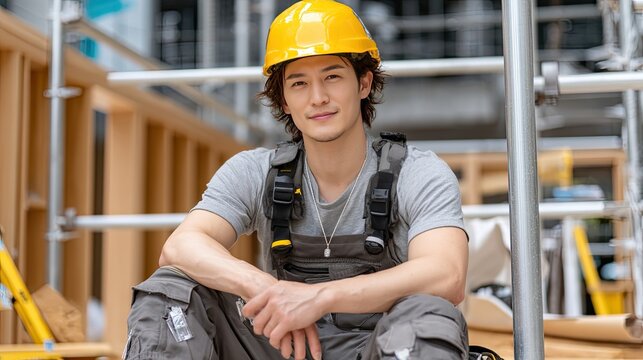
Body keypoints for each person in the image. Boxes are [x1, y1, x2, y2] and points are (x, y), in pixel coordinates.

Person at [124, 1, 470, 359]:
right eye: (299, 83)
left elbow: (446, 274)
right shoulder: (255, 171)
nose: (318, 97)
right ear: (284, 100)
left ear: (364, 83)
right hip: (280, 346)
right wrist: (265, 287)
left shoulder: (418, 173)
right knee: (171, 291)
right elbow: (181, 246)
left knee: (430, 313)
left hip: (380, 348)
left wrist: (318, 298)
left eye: (332, 76)